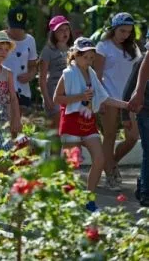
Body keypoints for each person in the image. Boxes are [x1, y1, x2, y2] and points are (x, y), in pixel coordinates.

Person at [54, 37, 128, 212]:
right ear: (75, 55)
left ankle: (89, 199)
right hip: (71, 121)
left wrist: (126, 104)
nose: (89, 61)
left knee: (100, 159)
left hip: (88, 121)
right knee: (72, 164)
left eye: (91, 58)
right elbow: (57, 98)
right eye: (85, 57)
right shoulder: (68, 74)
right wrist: (80, 97)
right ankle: (68, 203)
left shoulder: (92, 74)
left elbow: (104, 97)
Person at [94, 12, 142, 190]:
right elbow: (97, 76)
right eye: (122, 31)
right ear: (113, 29)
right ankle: (111, 174)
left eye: (129, 31)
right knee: (110, 135)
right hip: (109, 98)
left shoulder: (134, 48)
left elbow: (139, 73)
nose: (126, 35)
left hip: (129, 100)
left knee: (132, 137)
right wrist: (99, 100)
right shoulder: (103, 46)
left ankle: (111, 163)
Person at [124, 33, 149, 206]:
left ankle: (142, 184)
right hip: (146, 107)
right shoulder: (142, 62)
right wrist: (125, 115)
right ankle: (146, 191)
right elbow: (129, 89)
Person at [39, 15, 74, 129]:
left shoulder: (73, 49)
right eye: (60, 30)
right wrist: (47, 99)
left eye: (66, 29)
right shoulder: (47, 51)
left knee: (69, 128)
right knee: (56, 129)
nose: (65, 33)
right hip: (53, 92)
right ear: (53, 33)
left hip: (70, 93)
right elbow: (42, 78)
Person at [3, 6, 38, 115]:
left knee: (18, 123)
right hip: (3, 88)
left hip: (22, 89)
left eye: (20, 27)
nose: (17, 31)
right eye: (14, 27)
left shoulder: (30, 40)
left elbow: (33, 65)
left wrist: (30, 75)